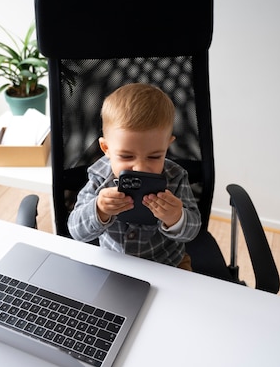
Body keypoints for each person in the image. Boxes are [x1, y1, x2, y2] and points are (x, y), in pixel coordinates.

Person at [67, 83, 201, 270]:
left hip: (168, 263)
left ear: (167, 147)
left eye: (154, 156)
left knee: (186, 298)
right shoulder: (99, 177)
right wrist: (99, 209)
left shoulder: (176, 177)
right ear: (106, 148)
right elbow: (76, 231)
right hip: (113, 263)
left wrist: (175, 217)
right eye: (127, 156)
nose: (140, 167)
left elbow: (192, 232)